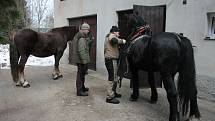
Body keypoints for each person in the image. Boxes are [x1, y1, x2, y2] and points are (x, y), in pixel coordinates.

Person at [104, 26, 126, 104]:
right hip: (111, 60)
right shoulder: (111, 36)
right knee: (112, 78)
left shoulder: (110, 36)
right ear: (114, 32)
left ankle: (113, 93)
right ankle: (109, 97)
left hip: (113, 60)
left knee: (115, 77)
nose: (119, 33)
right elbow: (113, 40)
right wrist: (122, 41)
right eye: (118, 32)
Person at [72, 23, 92, 96]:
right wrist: (84, 61)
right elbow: (81, 50)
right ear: (84, 29)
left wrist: (89, 41)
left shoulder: (80, 36)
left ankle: (82, 88)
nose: (88, 31)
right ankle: (79, 91)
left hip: (80, 59)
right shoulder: (81, 38)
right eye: (87, 30)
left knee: (82, 74)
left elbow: (84, 45)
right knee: (80, 75)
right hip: (81, 60)